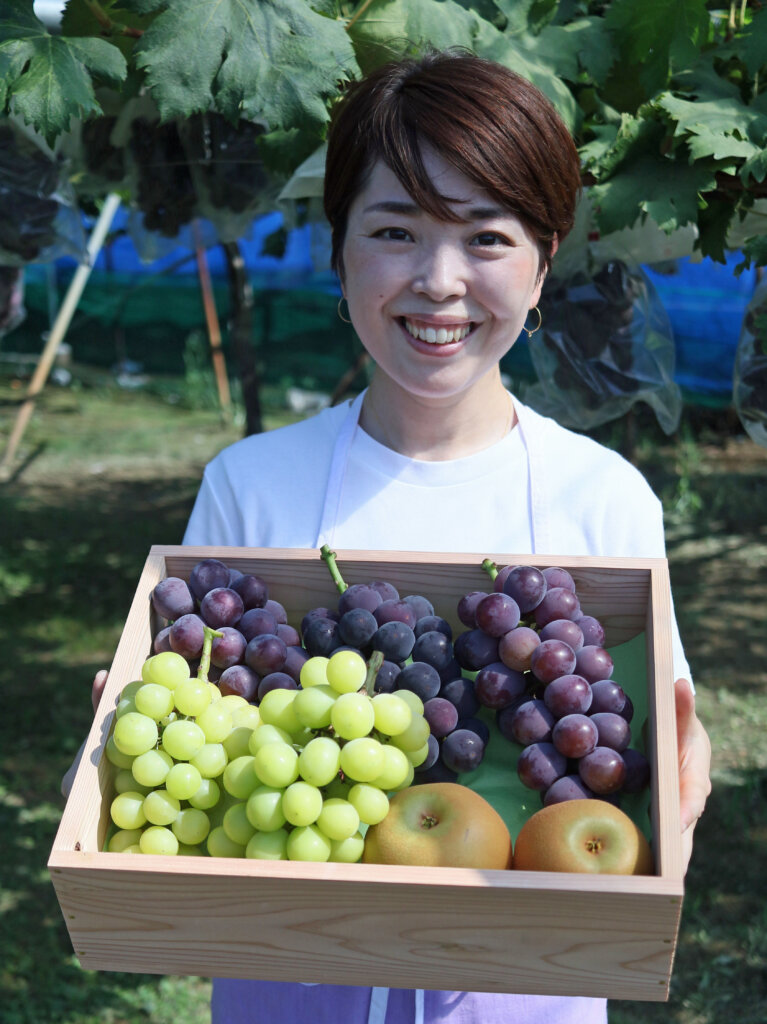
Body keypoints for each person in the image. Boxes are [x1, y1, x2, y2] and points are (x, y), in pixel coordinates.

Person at [78, 49, 711, 1024]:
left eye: (485, 237)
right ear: (338, 252)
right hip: (283, 991)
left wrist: (682, 770)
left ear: (544, 262)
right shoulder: (249, 486)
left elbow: (653, 733)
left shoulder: (604, 498)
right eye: (393, 230)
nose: (438, 280)